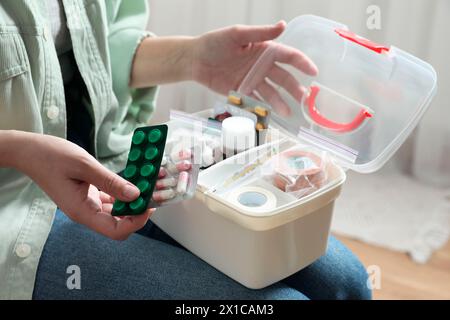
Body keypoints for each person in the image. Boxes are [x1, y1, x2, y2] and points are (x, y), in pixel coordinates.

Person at [0, 0, 371, 300]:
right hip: (12, 202)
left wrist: (191, 57)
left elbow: (102, 45)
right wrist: (20, 150)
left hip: (107, 161)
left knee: (347, 281)